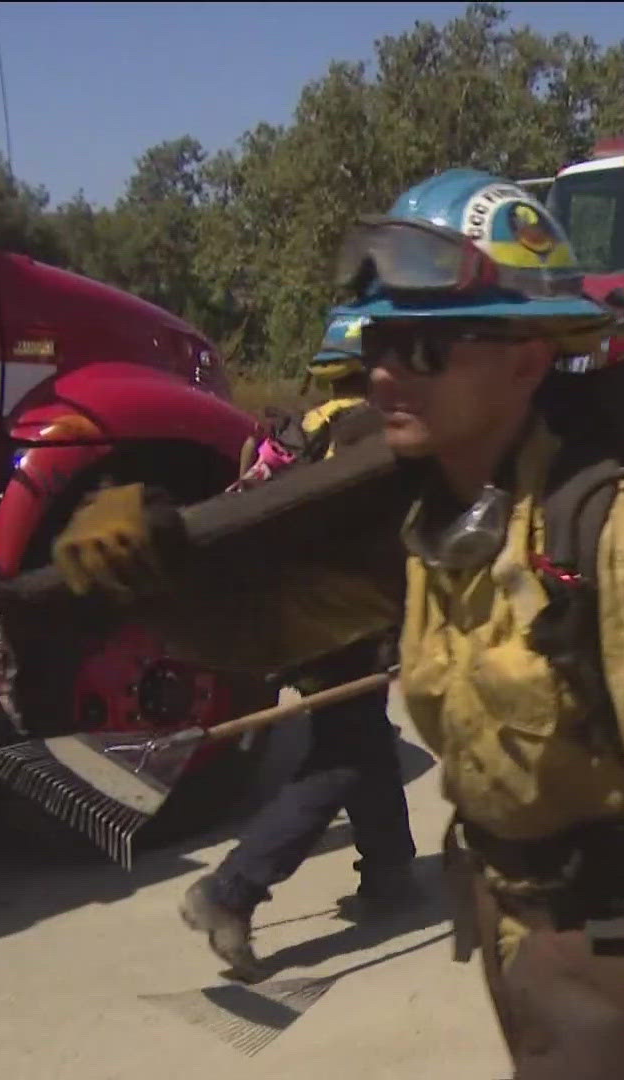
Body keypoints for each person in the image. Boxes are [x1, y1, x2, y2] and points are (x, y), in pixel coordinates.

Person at [50, 170, 624, 1080]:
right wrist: (149, 565)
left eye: (427, 349)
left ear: (525, 360)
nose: (387, 371)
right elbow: (268, 632)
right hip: (516, 941)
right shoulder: (437, 527)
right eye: (381, 343)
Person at [173, 312, 419, 980]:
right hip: (341, 623)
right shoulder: (369, 434)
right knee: (340, 757)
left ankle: (391, 873)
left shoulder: (297, 431)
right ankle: (231, 892)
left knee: (364, 738)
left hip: (292, 621)